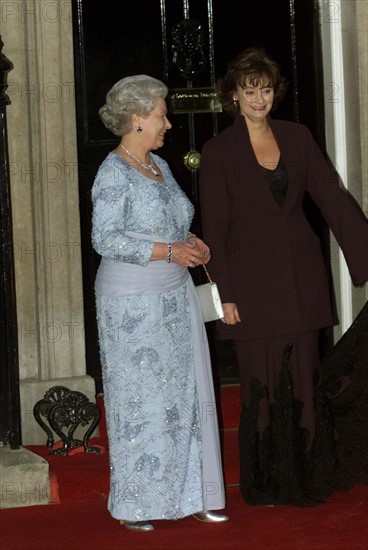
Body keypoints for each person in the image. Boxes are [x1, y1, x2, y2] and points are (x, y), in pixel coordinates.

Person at [199, 48, 368, 506]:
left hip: (301, 277)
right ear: (232, 95)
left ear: (276, 92)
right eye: (249, 90)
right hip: (249, 287)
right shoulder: (217, 152)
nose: (259, 99)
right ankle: (266, 482)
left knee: (304, 379)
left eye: (266, 89)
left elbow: (332, 196)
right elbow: (213, 229)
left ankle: (308, 476)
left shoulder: (297, 137)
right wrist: (224, 295)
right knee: (263, 383)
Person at [91, 75, 229, 531]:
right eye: (161, 114)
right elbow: (105, 238)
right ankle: (136, 503)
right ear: (137, 119)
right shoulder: (114, 170)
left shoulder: (160, 166)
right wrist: (168, 251)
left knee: (182, 397)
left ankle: (192, 494)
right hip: (132, 303)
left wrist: (190, 242)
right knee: (141, 401)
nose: (168, 123)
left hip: (174, 294)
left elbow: (167, 223)